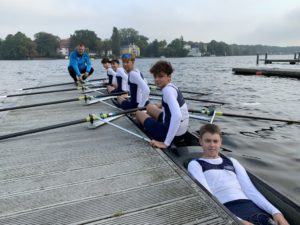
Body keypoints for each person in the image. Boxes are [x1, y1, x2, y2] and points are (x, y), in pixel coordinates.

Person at [188, 123, 289, 225]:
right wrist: (237, 220)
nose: (212, 145)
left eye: (215, 141)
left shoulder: (232, 162)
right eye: (207, 141)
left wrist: (276, 212)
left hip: (250, 206)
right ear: (200, 141)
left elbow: (251, 191)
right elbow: (208, 197)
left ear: (220, 142)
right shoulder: (196, 165)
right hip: (227, 209)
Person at [135, 60, 189, 149]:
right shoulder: (172, 87)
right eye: (155, 76)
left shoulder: (168, 91)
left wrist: (165, 143)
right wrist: (161, 105)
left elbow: (177, 116)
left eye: (160, 76)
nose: (156, 79)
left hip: (170, 134)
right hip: (179, 131)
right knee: (149, 107)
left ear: (169, 77)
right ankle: (150, 122)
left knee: (138, 113)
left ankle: (147, 129)